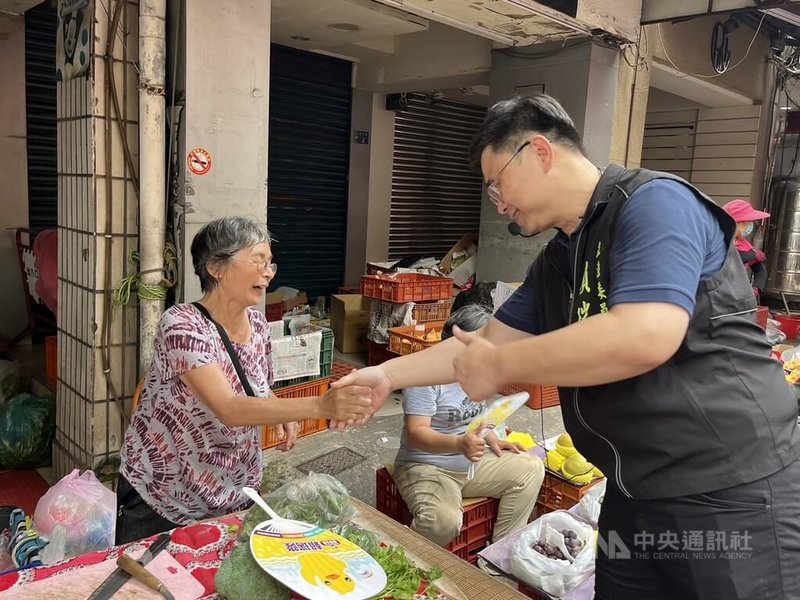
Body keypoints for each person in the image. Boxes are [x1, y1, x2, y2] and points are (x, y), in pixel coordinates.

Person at [335, 95, 800, 599]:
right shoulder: (559, 259)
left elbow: (646, 333)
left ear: (539, 152)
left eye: (496, 183)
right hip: (632, 491)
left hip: (729, 489)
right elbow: (482, 345)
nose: (498, 202)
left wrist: (500, 363)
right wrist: (388, 377)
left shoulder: (653, 203)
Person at [116, 216, 372, 544]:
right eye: (257, 261)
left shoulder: (258, 323)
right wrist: (320, 405)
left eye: (270, 263)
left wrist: (281, 409)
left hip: (234, 491)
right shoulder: (181, 325)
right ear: (216, 268)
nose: (267, 272)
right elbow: (229, 407)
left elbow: (258, 387)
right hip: (165, 494)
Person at [393, 305, 544, 547]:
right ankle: (407, 561)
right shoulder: (424, 377)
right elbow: (416, 433)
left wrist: (492, 436)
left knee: (531, 468)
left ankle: (497, 559)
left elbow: (477, 416)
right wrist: (459, 444)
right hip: (426, 467)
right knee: (443, 521)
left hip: (469, 464)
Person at [723, 199, 770, 298]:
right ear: (732, 223)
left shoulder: (745, 245)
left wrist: (756, 289)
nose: (749, 226)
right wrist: (753, 254)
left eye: (750, 223)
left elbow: (760, 269)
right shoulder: (720, 240)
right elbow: (733, 258)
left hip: (737, 297)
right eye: (745, 224)